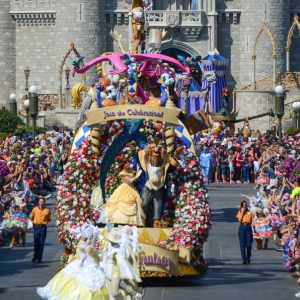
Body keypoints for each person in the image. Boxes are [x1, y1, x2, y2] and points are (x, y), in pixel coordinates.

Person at [37, 222, 109, 300]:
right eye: (91, 238)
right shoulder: (87, 247)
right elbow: (91, 248)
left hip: (88, 265)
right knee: (88, 285)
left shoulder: (83, 245)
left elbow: (86, 255)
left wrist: (82, 262)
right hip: (90, 268)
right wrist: (95, 235)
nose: (93, 240)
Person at [29, 197, 52, 263]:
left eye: (42, 201)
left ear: (44, 202)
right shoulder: (35, 209)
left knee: (41, 242)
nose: (41, 203)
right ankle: (35, 256)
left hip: (43, 227)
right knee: (36, 242)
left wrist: (45, 222)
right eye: (40, 201)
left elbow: (49, 218)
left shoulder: (47, 210)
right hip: (36, 227)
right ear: (38, 202)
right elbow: (31, 217)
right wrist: (32, 223)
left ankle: (39, 257)